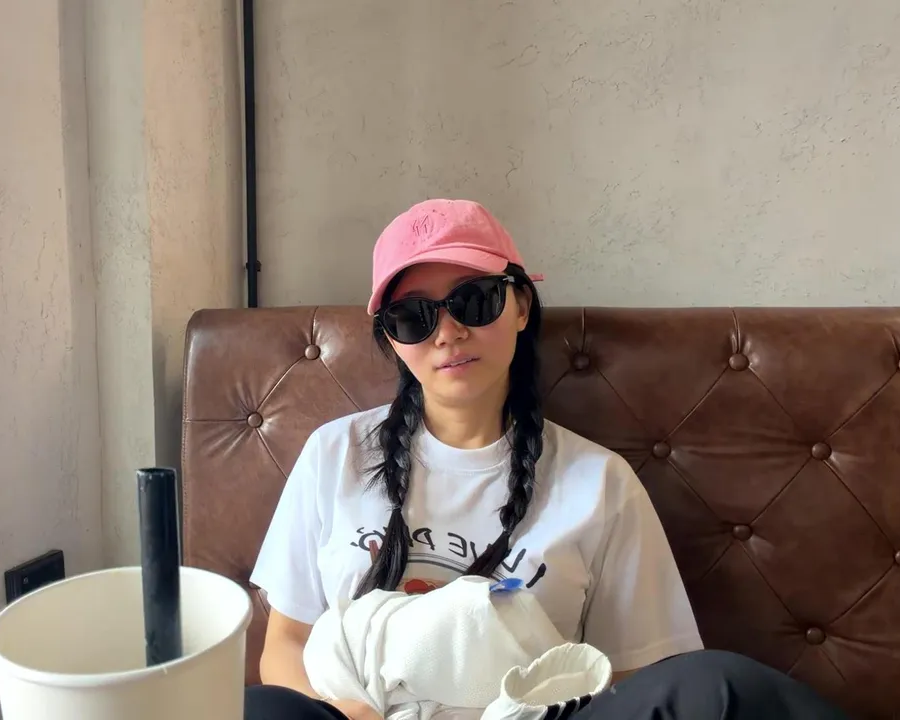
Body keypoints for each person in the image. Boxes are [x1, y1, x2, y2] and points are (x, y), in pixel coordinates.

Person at [244, 199, 849, 720]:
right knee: (256, 710)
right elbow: (286, 646)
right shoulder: (337, 452)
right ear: (391, 340)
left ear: (520, 306)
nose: (447, 332)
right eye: (412, 317)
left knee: (718, 686)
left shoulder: (598, 482)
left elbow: (635, 679)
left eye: (474, 300)